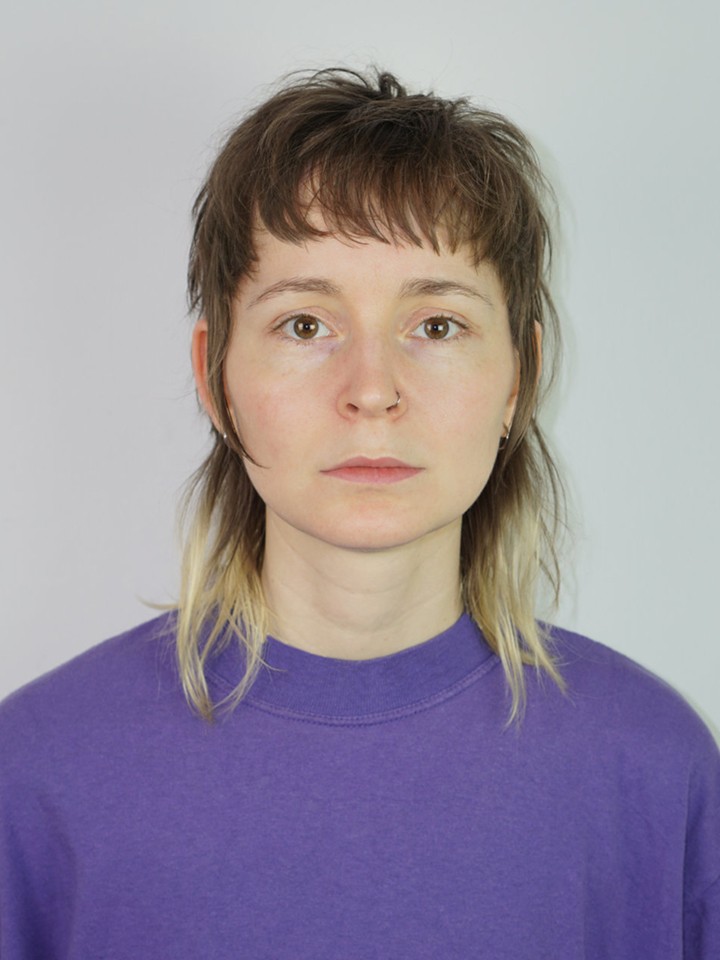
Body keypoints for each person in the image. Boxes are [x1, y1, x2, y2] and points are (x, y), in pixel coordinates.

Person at [0, 67, 718, 959]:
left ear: (519, 379)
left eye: (437, 326)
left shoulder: (657, 772)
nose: (372, 390)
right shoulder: (34, 776)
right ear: (215, 380)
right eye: (306, 325)